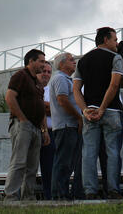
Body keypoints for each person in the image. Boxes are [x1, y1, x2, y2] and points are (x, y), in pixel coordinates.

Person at [73, 27, 123, 199]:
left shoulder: (83, 61)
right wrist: (102, 108)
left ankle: (90, 192)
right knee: (112, 152)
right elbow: (114, 84)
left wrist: (85, 110)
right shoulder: (115, 58)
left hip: (90, 113)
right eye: (115, 40)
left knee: (89, 152)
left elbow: (76, 89)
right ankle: (113, 190)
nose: (117, 43)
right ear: (105, 39)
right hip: (110, 111)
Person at [3, 48, 49, 201]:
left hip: (36, 128)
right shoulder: (20, 76)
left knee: (32, 166)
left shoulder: (37, 82)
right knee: (19, 161)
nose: (43, 65)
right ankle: (11, 196)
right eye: (41, 61)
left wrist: (44, 130)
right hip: (23, 125)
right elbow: (10, 97)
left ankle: (28, 196)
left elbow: (41, 107)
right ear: (31, 61)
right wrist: (22, 119)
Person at [49, 52, 84, 199]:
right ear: (62, 64)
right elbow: (62, 100)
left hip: (70, 126)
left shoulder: (67, 80)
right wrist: (78, 117)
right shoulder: (60, 78)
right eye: (71, 60)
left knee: (68, 163)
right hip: (65, 126)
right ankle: (58, 196)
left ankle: (62, 194)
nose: (74, 62)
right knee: (63, 162)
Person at [38, 61, 54, 199]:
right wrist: (44, 107)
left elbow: (56, 109)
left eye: (49, 72)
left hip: (50, 132)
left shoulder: (51, 90)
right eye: (44, 71)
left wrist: (41, 106)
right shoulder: (31, 88)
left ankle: (49, 196)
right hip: (33, 131)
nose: (46, 74)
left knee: (49, 167)